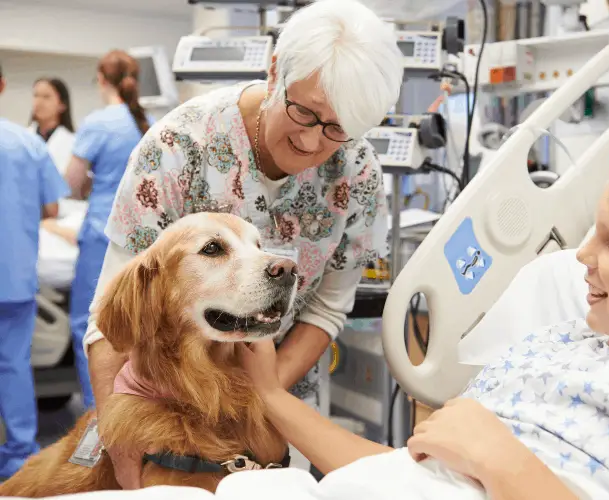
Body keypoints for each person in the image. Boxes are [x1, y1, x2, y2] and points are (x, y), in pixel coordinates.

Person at [235, 136, 609, 499]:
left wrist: (496, 458)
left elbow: (474, 458)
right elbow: (401, 476)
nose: (583, 255)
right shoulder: (553, 345)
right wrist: (270, 394)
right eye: (594, 234)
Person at [82, 0, 402, 488]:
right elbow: (112, 314)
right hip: (163, 408)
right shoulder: (177, 147)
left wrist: (263, 395)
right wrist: (122, 449)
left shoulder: (356, 172)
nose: (315, 144)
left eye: (339, 128)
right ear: (276, 73)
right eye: (306, 113)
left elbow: (328, 308)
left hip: (277, 406)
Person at [64, 50, 152, 410]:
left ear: (102, 78)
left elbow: (71, 183)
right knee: (137, 333)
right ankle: (133, 415)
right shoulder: (150, 122)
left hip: (103, 236)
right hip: (146, 241)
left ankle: (97, 423)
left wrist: (90, 186)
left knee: (92, 329)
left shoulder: (98, 123)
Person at [0, 63, 70, 479]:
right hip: (15, 279)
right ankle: (20, 454)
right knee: (13, 365)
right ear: (4, 86)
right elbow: (53, 208)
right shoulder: (27, 143)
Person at [28, 77, 76, 177]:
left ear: (62, 105)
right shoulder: (22, 137)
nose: (39, 102)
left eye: (46, 97)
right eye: (36, 96)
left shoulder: (73, 142)